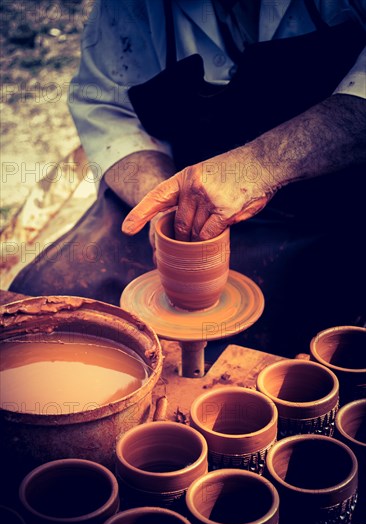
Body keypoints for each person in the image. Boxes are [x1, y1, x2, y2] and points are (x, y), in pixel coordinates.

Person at [10, 0, 366, 357]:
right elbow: (107, 109)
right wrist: (159, 194)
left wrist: (259, 164)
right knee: (47, 299)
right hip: (180, 193)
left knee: (321, 338)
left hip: (325, 205)